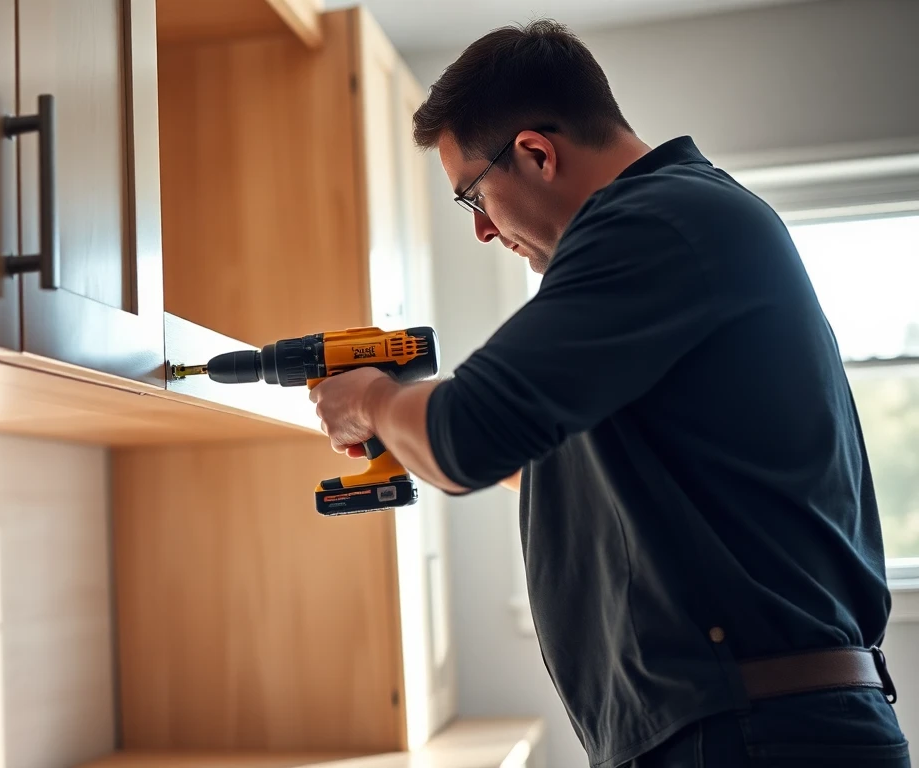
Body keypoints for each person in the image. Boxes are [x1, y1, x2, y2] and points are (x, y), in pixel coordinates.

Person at [308, 18, 909, 768]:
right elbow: (586, 463)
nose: (484, 233)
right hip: (745, 728)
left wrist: (371, 401)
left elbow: (466, 437)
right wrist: (409, 432)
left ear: (535, 153)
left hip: (751, 735)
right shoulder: (682, 223)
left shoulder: (655, 221)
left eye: (472, 197)